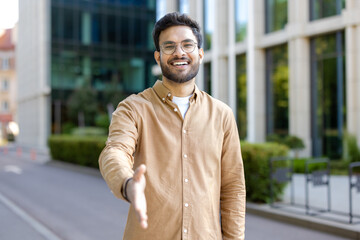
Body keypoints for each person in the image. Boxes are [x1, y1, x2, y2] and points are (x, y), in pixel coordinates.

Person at [99, 12, 246, 240]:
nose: (179, 53)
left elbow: (233, 188)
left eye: (188, 45)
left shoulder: (222, 115)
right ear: (158, 57)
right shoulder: (133, 108)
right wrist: (129, 184)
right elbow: (115, 152)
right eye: (169, 47)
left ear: (200, 53)